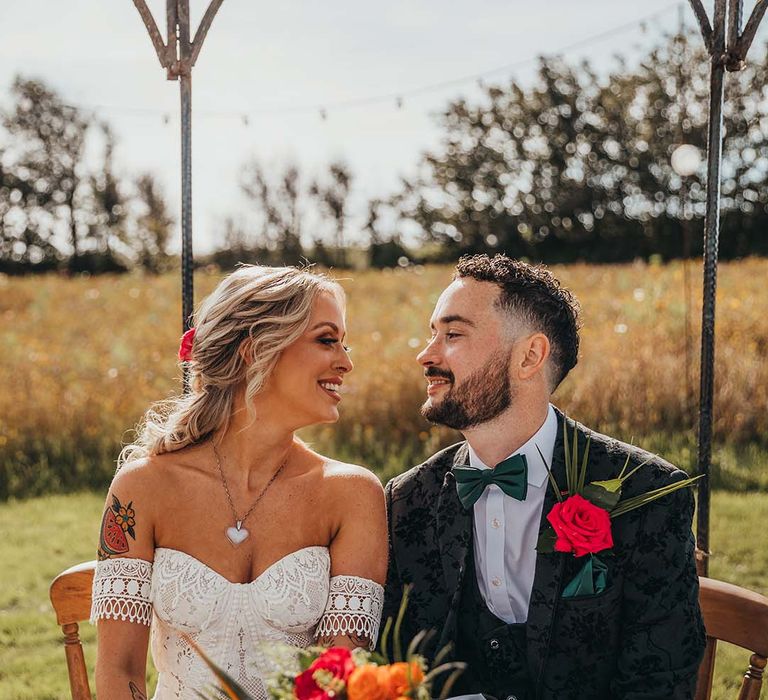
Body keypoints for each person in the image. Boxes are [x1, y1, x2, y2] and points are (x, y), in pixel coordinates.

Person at [383, 254, 705, 700]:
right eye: (432, 333)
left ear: (530, 356)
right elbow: (396, 663)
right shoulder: (407, 500)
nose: (426, 354)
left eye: (453, 334)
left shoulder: (645, 492)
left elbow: (659, 682)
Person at [91, 265, 388, 700]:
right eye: (327, 340)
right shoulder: (142, 488)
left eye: (344, 343)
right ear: (255, 351)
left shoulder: (353, 495)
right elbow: (120, 672)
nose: (346, 362)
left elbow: (336, 679)